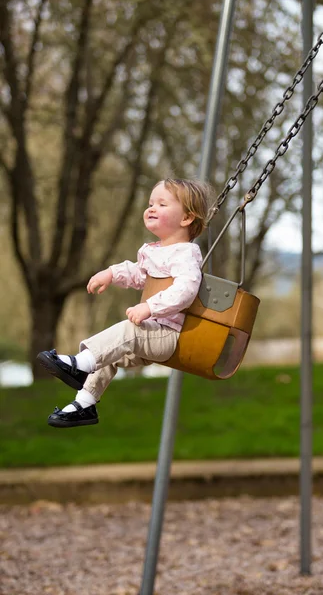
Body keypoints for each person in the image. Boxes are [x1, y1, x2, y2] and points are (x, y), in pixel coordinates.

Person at [37, 178, 213, 428]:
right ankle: (84, 404)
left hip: (169, 335)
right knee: (108, 355)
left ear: (186, 219)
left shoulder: (185, 254)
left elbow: (186, 289)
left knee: (127, 331)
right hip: (154, 334)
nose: (151, 208)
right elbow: (139, 273)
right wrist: (111, 273)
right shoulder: (157, 251)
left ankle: (80, 365)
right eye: (150, 203)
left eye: (162, 204)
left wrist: (150, 307)